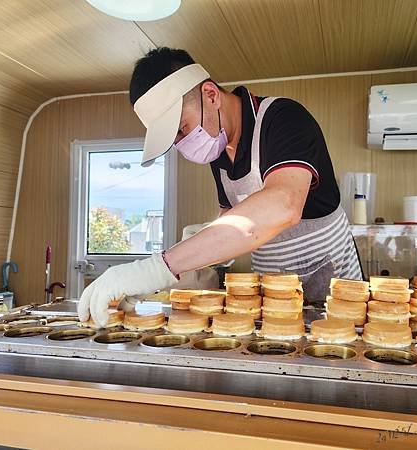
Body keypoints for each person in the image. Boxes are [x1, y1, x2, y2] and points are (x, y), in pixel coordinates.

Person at [78, 47, 362, 327]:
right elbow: (232, 227)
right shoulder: (219, 153)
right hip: (272, 301)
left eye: (181, 129)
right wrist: (189, 256)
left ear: (211, 95)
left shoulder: (284, 118)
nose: (181, 144)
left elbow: (283, 205)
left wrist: (158, 268)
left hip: (334, 297)